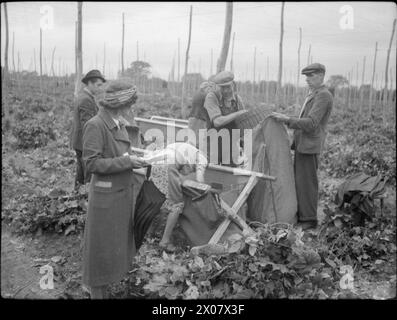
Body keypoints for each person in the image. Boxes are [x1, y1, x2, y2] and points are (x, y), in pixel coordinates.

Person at [82, 80, 148, 299]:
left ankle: (104, 290)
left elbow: (119, 154)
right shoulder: (96, 124)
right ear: (118, 104)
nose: (131, 109)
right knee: (99, 254)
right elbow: (91, 164)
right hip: (106, 200)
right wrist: (128, 162)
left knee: (111, 250)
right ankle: (97, 294)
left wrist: (133, 159)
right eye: (129, 104)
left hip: (118, 196)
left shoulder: (116, 122)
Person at [269, 63, 333, 230]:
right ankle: (303, 215)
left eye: (311, 76)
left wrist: (286, 119)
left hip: (310, 146)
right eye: (306, 77)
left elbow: (312, 123)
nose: (307, 80)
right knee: (301, 181)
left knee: (307, 182)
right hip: (303, 144)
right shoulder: (314, 94)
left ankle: (310, 219)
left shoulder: (323, 95)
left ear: (320, 76)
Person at [141, 142, 208, 252]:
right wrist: (204, 189)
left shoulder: (184, 147)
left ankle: (148, 235)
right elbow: (199, 179)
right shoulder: (203, 159)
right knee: (177, 205)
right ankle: (165, 242)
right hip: (169, 166)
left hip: (155, 165)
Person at [70, 69, 106, 188]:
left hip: (79, 141)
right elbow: (88, 125)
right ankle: (86, 199)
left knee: (80, 173)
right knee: (88, 174)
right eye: (98, 85)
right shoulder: (86, 99)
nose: (100, 88)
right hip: (84, 143)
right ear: (89, 83)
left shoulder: (84, 96)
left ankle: (77, 197)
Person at [203, 71, 248, 165]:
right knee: (211, 174)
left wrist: (243, 144)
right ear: (218, 86)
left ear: (233, 85)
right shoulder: (212, 97)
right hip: (213, 144)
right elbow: (217, 122)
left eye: (228, 87)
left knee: (230, 175)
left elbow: (244, 122)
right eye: (222, 87)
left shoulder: (237, 100)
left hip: (231, 146)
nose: (226, 90)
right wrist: (238, 113)